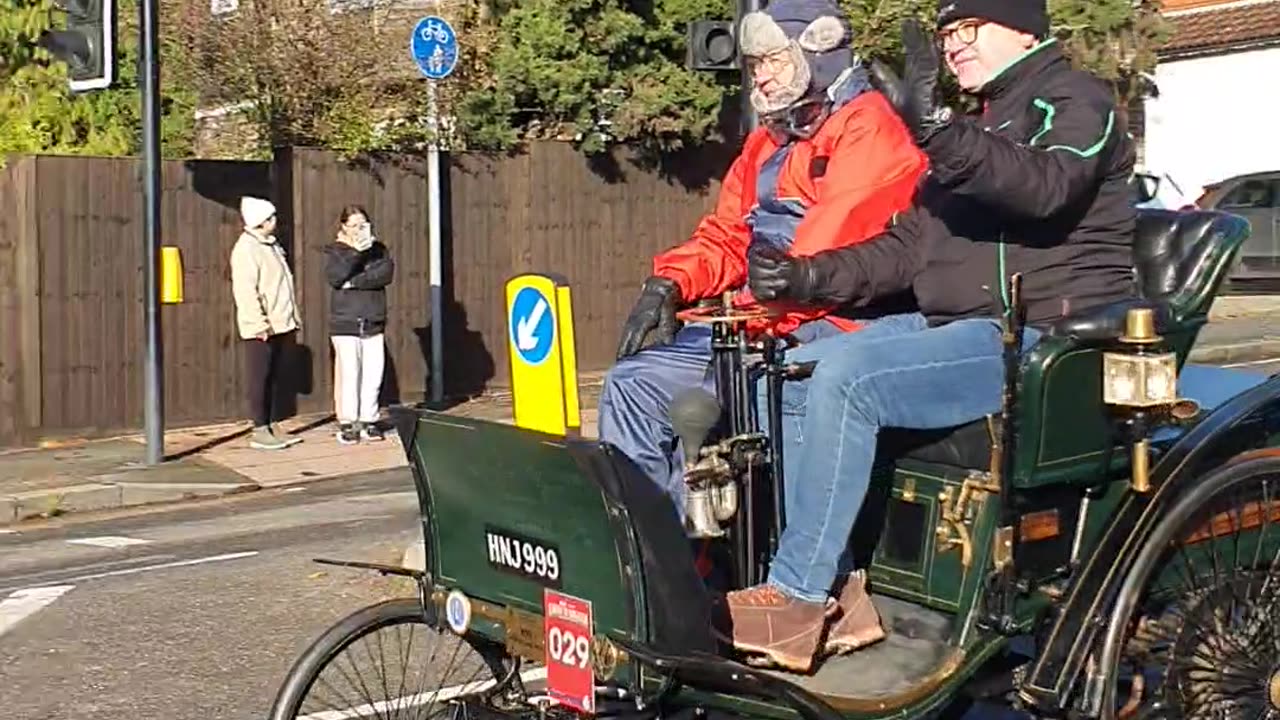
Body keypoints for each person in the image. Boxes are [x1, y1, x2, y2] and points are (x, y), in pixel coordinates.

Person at [717, 0, 1139, 673]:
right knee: (793, 364)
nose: (952, 45)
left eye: (967, 28)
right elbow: (903, 249)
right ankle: (837, 593)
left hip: (1041, 339)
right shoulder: (972, 131)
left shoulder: (1076, 101)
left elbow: (1044, 186)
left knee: (848, 379)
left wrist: (939, 130)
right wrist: (802, 274)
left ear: (1021, 26)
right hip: (960, 328)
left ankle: (795, 594)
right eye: (945, 34)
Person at [598, 0, 928, 515]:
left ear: (818, 55)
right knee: (631, 384)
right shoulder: (768, 140)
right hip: (763, 319)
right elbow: (730, 233)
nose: (762, 77)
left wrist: (746, 315)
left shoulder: (868, 127)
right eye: (754, 65)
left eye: (773, 60)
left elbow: (828, 254)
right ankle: (662, 553)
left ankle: (729, 556)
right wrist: (670, 284)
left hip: (831, 322)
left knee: (683, 390)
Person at [231, 196, 304, 451]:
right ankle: (259, 428)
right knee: (259, 377)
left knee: (275, 375)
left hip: (281, 322)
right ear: (261, 222)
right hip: (262, 326)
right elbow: (246, 290)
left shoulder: (271, 245)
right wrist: (258, 322)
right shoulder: (246, 249)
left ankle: (273, 424)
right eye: (270, 218)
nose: (275, 221)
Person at [324, 205, 395, 444]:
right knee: (350, 372)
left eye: (363, 224)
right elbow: (335, 277)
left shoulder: (379, 249)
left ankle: (369, 419)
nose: (359, 229)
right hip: (345, 321)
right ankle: (348, 422)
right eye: (353, 225)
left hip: (373, 318)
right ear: (344, 227)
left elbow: (384, 274)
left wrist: (354, 283)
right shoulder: (337, 250)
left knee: (374, 372)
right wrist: (356, 253)